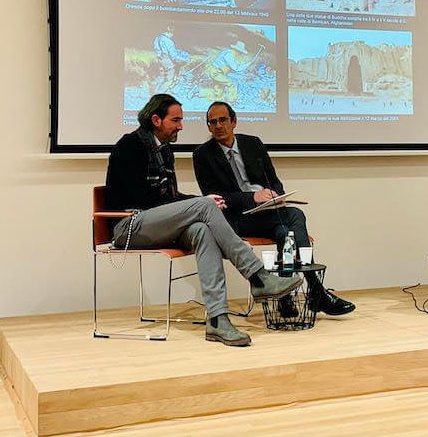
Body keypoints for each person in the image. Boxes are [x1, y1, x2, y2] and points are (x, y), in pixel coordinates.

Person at [105, 94, 301, 347]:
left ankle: (218, 320)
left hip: (157, 223)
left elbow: (170, 197)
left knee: (201, 230)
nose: (181, 126)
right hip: (129, 225)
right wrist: (197, 204)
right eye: (175, 120)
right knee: (204, 207)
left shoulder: (164, 151)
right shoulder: (129, 146)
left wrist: (203, 200)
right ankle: (258, 277)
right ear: (156, 120)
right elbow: (140, 198)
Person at [192, 101, 355, 316]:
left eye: (223, 120)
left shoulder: (253, 144)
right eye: (212, 122)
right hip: (237, 218)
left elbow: (273, 180)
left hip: (269, 212)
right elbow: (214, 198)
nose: (218, 126)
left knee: (284, 233)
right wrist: (253, 197)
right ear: (209, 127)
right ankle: (315, 291)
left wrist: (276, 195)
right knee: (296, 215)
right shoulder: (202, 154)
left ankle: (285, 297)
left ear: (234, 122)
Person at [153, 27, 190, 92]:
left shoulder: (157, 38)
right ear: (170, 32)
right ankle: (159, 96)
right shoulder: (169, 42)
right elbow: (174, 57)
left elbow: (157, 50)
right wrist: (186, 60)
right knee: (168, 81)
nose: (172, 36)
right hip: (168, 61)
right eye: (173, 33)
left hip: (160, 60)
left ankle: (173, 82)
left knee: (165, 78)